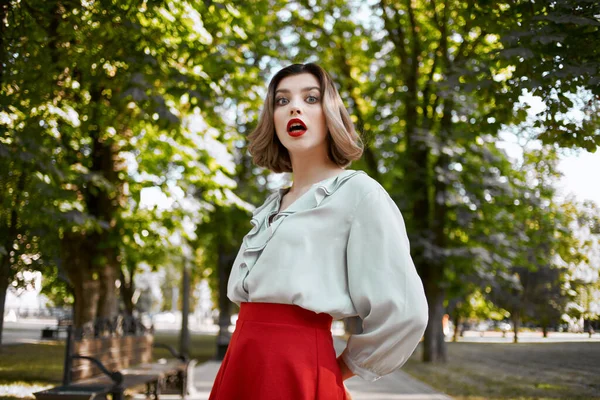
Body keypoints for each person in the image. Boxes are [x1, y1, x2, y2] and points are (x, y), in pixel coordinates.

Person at [208, 63, 428, 400]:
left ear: (330, 114)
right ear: (274, 120)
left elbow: (406, 313)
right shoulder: (271, 205)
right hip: (240, 365)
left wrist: (338, 368)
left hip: (299, 371)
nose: (295, 106)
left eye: (311, 98)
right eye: (282, 101)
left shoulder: (359, 194)